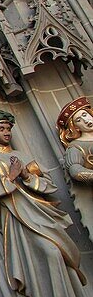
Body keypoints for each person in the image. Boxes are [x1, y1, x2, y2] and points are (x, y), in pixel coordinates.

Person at [0, 110, 91, 297]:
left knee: (59, 255)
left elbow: (49, 186)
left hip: (40, 213)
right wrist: (10, 176)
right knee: (49, 254)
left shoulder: (23, 155)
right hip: (18, 217)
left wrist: (26, 176)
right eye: (1, 129)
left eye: (8, 129)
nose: (6, 133)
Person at [56, 96, 93, 239]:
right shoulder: (75, 147)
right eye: (78, 120)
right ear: (75, 127)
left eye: (85, 114)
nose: (85, 120)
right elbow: (75, 171)